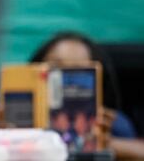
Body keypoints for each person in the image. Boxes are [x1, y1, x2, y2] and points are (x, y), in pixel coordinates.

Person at [31, 31, 144, 159]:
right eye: (55, 67)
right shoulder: (11, 116)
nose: (67, 82)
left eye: (79, 72)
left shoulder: (113, 124)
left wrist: (105, 143)